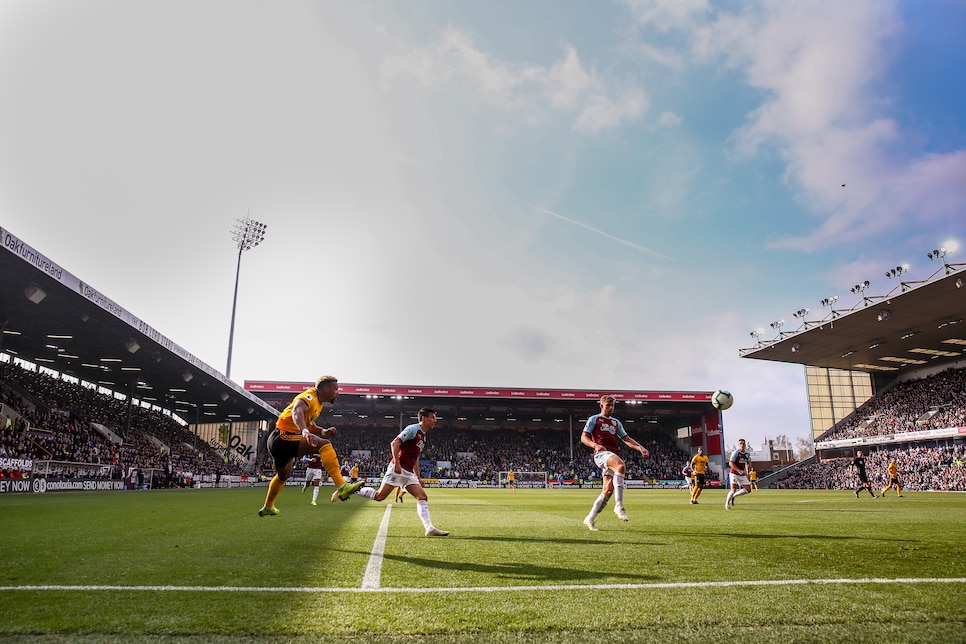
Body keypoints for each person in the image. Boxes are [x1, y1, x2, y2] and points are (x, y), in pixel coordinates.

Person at [258, 375, 363, 517]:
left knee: (283, 476)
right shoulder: (310, 397)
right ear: (325, 389)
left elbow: (309, 423)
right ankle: (342, 487)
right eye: (336, 389)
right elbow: (297, 412)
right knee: (324, 445)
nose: (338, 392)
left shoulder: (317, 404)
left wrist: (323, 431)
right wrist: (305, 432)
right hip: (283, 437)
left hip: (280, 440)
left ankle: (268, 506)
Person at [356, 407, 449, 536]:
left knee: (422, 497)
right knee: (379, 496)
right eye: (433, 417)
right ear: (423, 418)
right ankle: (352, 489)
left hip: (409, 472)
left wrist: (418, 477)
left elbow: (415, 457)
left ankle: (429, 528)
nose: (435, 420)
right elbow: (395, 443)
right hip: (398, 469)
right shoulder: (413, 429)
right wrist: (397, 464)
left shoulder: (423, 436)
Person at [580, 395, 650, 530]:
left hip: (612, 455)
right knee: (621, 465)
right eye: (608, 405)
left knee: (607, 491)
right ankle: (619, 505)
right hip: (601, 454)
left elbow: (626, 439)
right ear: (601, 406)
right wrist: (594, 445)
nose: (611, 408)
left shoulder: (616, 422)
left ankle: (589, 518)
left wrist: (640, 447)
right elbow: (584, 437)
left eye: (613, 406)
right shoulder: (595, 419)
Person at [725, 439, 753, 510]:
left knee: (748, 489)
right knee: (733, 489)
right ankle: (727, 504)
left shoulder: (747, 453)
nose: (742, 445)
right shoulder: (735, 453)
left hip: (741, 474)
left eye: (743, 444)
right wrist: (739, 470)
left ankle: (734, 496)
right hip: (734, 473)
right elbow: (730, 463)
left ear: (745, 445)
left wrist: (748, 473)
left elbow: (747, 463)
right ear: (738, 445)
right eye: (740, 443)